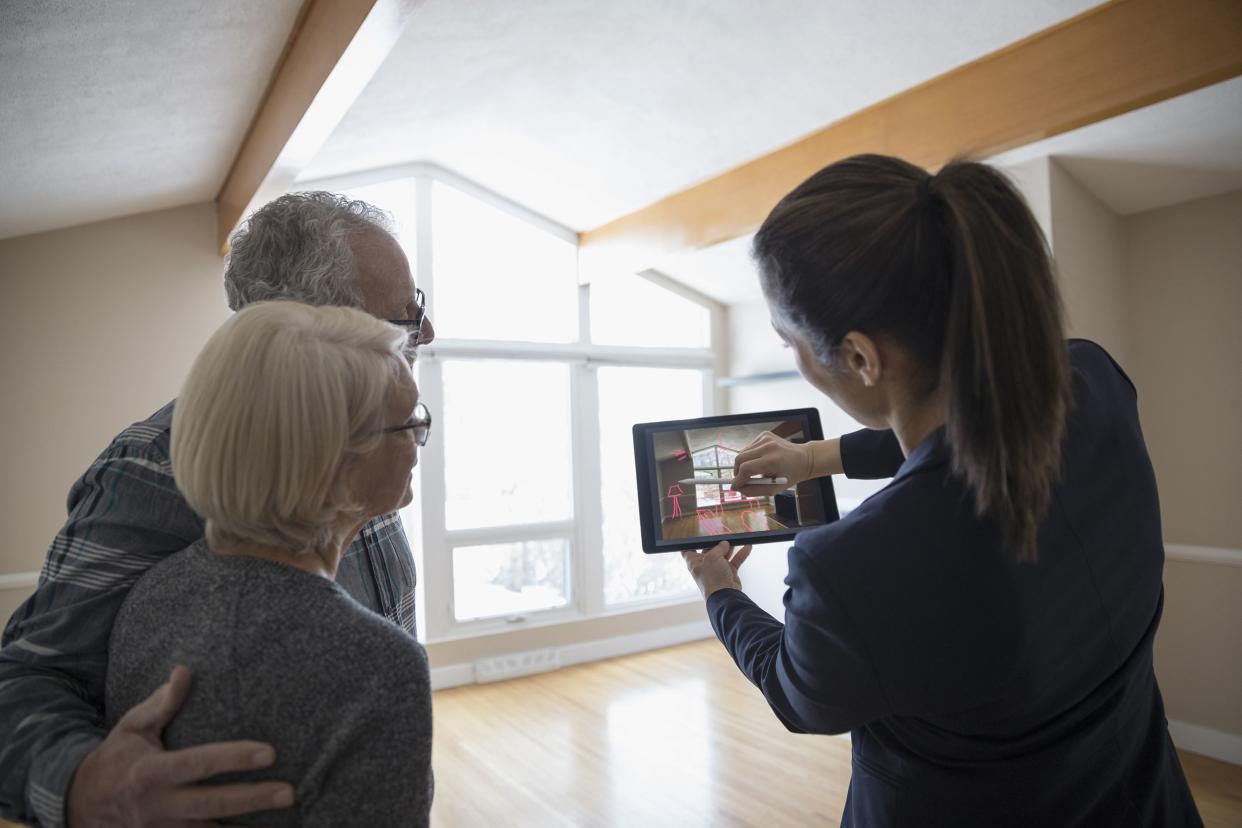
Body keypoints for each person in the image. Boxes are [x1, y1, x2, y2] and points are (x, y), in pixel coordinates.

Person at [682, 154, 1202, 826]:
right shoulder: (1091, 383)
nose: (796, 360)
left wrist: (720, 590)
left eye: (792, 344)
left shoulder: (850, 567)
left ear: (863, 358)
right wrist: (815, 457)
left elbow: (795, 692)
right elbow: (973, 438)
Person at [0, 192, 435, 827]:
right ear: (314, 326)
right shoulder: (152, 469)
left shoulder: (368, 436)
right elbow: (22, 683)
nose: (423, 332)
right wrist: (83, 784)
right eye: (404, 315)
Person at [107, 301, 433, 826]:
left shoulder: (149, 598)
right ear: (336, 469)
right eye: (410, 423)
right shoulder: (375, 666)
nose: (420, 443)